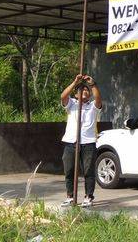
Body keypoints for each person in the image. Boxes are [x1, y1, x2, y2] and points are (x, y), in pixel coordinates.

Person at [59, 74, 102, 207]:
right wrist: (75, 82)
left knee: (88, 171)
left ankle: (88, 196)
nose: (84, 92)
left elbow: (99, 99)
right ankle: (70, 196)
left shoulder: (93, 107)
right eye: (81, 90)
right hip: (71, 142)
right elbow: (63, 96)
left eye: (86, 91)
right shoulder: (72, 104)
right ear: (76, 94)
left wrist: (93, 85)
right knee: (69, 170)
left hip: (88, 143)